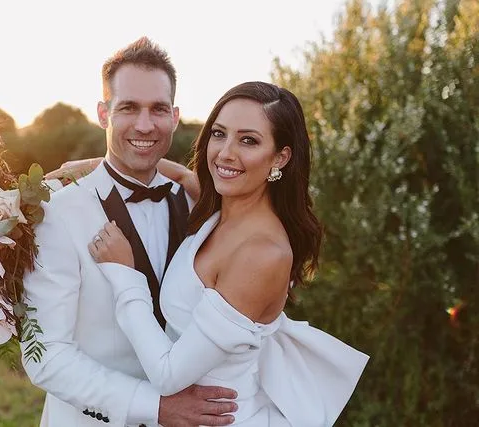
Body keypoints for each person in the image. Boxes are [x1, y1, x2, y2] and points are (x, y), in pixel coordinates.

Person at [87, 81, 370, 426]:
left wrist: (124, 274)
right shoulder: (219, 203)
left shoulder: (263, 254)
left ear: (280, 157)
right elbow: (172, 170)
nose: (225, 153)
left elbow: (167, 375)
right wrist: (87, 169)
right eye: (219, 134)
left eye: (248, 140)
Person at [20, 37, 238, 427]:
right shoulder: (59, 214)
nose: (144, 124)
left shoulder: (196, 205)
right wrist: (155, 407)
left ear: (174, 117)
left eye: (158, 109)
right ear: (104, 114)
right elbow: (45, 356)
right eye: (128, 108)